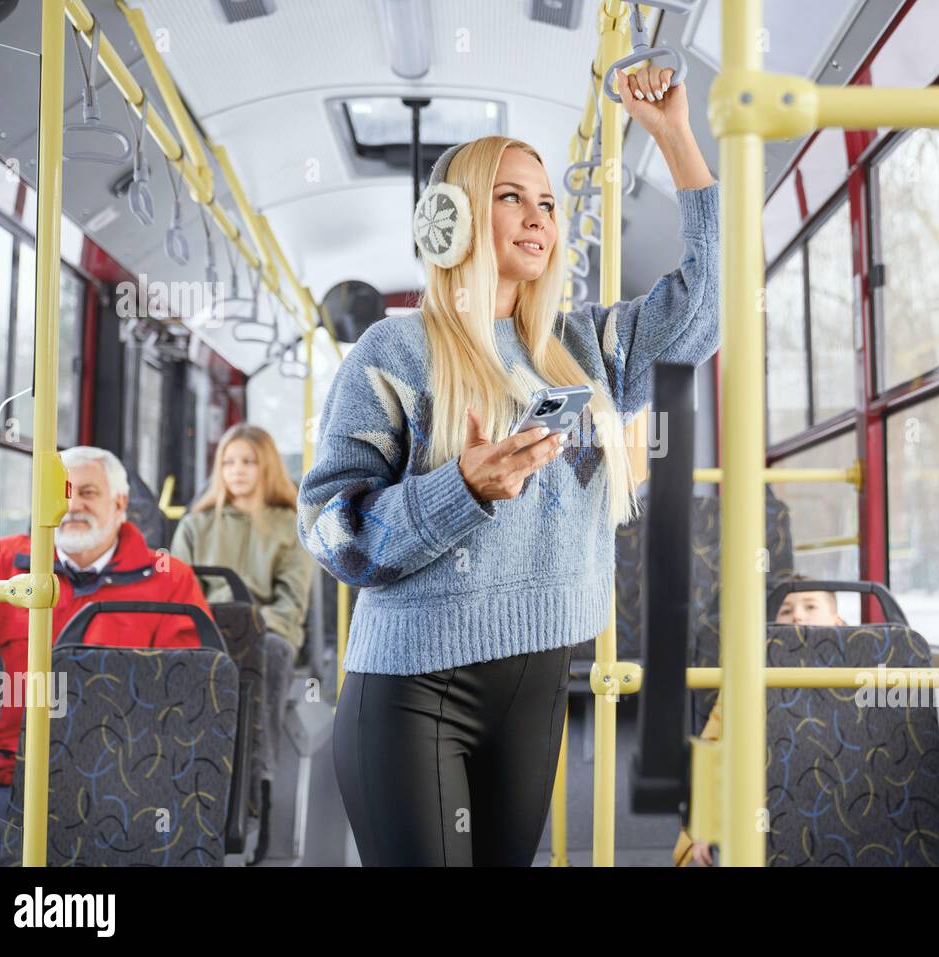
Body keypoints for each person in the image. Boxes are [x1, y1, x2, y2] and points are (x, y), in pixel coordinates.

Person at [299, 65, 718, 866]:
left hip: (536, 681)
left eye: (550, 203)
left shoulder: (587, 349)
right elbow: (333, 532)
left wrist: (673, 136)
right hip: (409, 690)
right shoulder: (391, 353)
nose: (539, 219)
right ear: (450, 220)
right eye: (512, 197)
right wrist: (461, 488)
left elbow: (708, 304)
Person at [0, 446, 211, 810]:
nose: (72, 505)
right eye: (62, 493)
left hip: (117, 784)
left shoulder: (170, 581)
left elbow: (185, 694)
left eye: (88, 492)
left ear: (120, 502)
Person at [171, 424, 315, 797]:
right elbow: (178, 594)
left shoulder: (291, 526)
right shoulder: (196, 525)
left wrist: (247, 624)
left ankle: (258, 781)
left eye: (248, 462)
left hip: (265, 631)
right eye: (228, 462)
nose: (236, 470)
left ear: (266, 467)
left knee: (271, 652)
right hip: (204, 627)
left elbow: (291, 603)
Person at [673, 579, 847, 867]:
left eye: (811, 606)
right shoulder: (745, 682)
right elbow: (713, 746)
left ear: (838, 623)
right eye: (786, 610)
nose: (798, 616)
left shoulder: (862, 677)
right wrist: (703, 828)